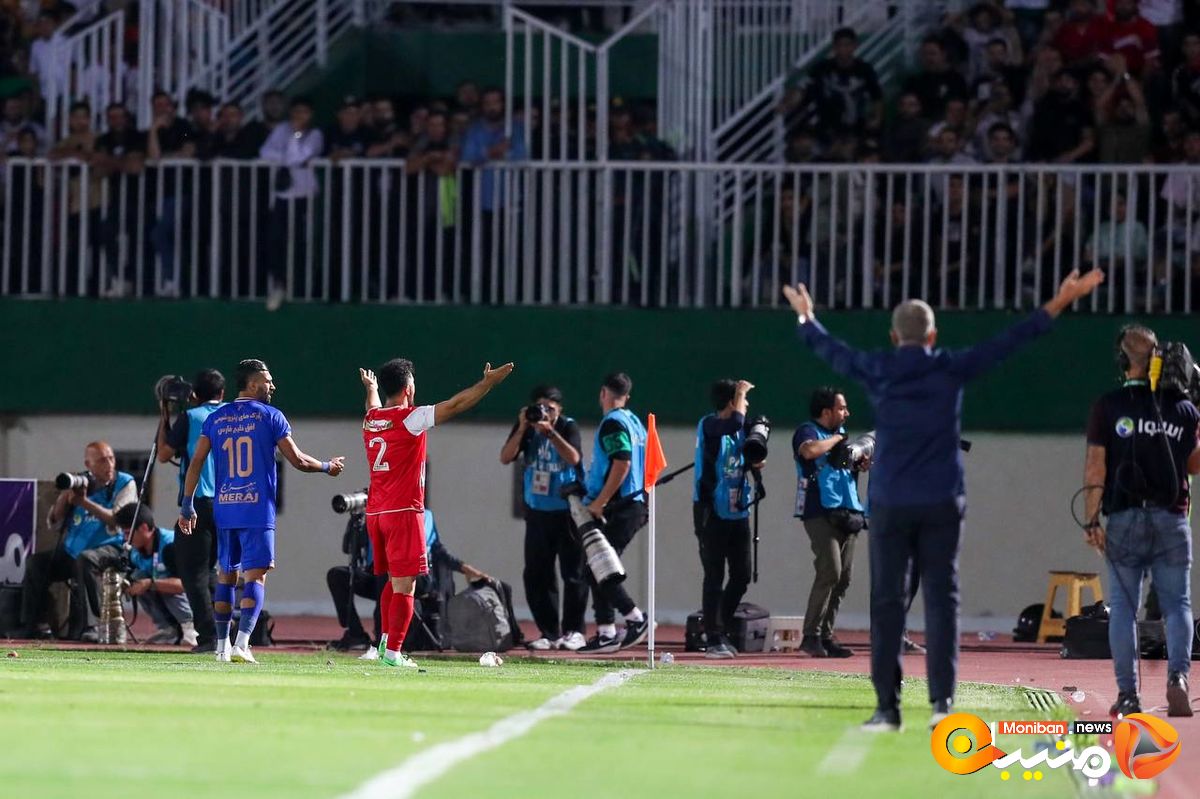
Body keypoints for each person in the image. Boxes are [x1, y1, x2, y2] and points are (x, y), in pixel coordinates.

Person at [782, 267, 1104, 732]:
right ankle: (941, 705)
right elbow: (1008, 342)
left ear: (894, 337)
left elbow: (832, 350)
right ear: (933, 336)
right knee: (941, 599)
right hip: (941, 501)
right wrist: (1059, 301)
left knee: (887, 601)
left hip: (892, 502)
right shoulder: (949, 367)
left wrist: (806, 317)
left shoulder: (880, 367)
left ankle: (887, 708)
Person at [178, 359, 346, 663]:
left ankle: (221, 647)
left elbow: (196, 462)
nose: (273, 386)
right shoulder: (271, 416)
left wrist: (187, 504)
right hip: (256, 508)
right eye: (268, 381)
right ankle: (242, 644)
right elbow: (298, 460)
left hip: (225, 507)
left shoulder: (216, 418)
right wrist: (327, 466)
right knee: (255, 576)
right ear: (253, 384)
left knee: (226, 576)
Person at [358, 358, 514, 669]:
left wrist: (371, 388)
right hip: (404, 511)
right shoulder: (411, 418)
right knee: (406, 585)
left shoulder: (371, 419)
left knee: (394, 581)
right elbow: (455, 405)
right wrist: (487, 384)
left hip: (376, 512)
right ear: (408, 388)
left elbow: (372, 404)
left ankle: (386, 643)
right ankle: (393, 654)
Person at [1082, 325, 1200, 717]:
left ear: (1123, 360)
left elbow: (1095, 468)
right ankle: (1178, 678)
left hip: (1125, 518)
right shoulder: (1183, 409)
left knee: (1123, 607)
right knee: (1178, 604)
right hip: (1172, 520)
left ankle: (1128, 694)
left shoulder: (1108, 406)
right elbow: (1194, 465)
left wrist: (1091, 521)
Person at [499, 385, 588, 651]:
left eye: (550, 408)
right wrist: (523, 427)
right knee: (537, 574)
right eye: (541, 407)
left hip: (567, 511)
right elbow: (505, 457)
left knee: (574, 573)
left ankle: (574, 630)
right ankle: (549, 632)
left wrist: (550, 432)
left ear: (559, 409)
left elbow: (574, 458)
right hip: (537, 512)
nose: (545, 412)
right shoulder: (527, 427)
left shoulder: (568, 427)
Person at [19, 442, 136, 640]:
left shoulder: (124, 483)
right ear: (88, 464)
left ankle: (92, 626)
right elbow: (54, 522)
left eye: (111, 458)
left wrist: (83, 502)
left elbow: (117, 519)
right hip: (73, 551)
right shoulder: (82, 484)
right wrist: (66, 496)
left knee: (85, 559)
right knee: (36, 563)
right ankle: (36, 625)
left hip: (111, 548)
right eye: (102, 461)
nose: (109, 465)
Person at [793, 386, 870, 659]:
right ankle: (810, 636)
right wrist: (838, 440)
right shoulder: (808, 431)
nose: (846, 413)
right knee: (830, 571)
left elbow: (843, 467)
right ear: (826, 412)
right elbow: (809, 451)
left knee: (843, 578)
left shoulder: (840, 436)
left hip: (848, 513)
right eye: (841, 408)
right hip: (819, 511)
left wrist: (859, 463)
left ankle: (826, 637)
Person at [577, 372, 651, 654]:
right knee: (596, 567)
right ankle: (606, 632)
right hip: (634, 504)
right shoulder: (635, 423)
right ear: (627, 396)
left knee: (599, 567)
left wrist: (600, 502)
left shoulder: (613, 423)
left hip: (621, 506)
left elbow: (622, 463)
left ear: (603, 393)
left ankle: (635, 618)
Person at [156, 369, 226, 653]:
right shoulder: (233, 415)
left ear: (195, 394)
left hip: (199, 502)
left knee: (193, 573)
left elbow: (163, 454)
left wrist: (165, 415)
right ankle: (224, 632)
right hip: (232, 503)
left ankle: (209, 637)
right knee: (214, 570)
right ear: (223, 393)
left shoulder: (191, 417)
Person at [692, 379, 760, 659]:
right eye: (742, 399)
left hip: (738, 510)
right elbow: (734, 423)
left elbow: (748, 441)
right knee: (714, 575)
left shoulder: (740, 430)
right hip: (712, 510)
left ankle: (719, 626)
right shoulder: (710, 425)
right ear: (732, 402)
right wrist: (741, 390)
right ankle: (713, 638)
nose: (746, 404)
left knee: (742, 574)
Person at [114, 504, 197, 646]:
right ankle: (168, 629)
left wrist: (150, 583)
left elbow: (186, 585)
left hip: (198, 598)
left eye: (128, 533)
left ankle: (191, 627)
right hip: (172, 597)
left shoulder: (171, 546)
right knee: (137, 579)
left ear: (144, 528)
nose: (126, 539)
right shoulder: (134, 552)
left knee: (160, 583)